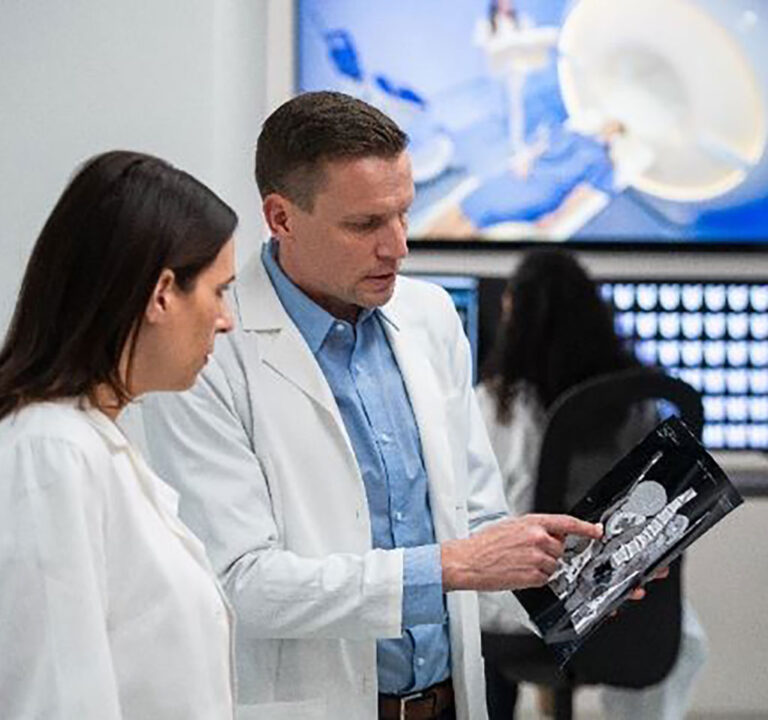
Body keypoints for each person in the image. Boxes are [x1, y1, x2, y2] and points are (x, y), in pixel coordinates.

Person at [138, 91, 602, 720]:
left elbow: (477, 528)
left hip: (448, 702)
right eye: (365, 226)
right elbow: (241, 583)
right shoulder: (211, 346)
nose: (398, 247)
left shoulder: (431, 318)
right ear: (281, 218)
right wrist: (451, 565)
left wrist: (579, 573)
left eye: (404, 215)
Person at [0, 150, 238, 719]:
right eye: (219, 290)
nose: (227, 319)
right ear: (161, 293)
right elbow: (57, 700)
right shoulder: (50, 452)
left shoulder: (93, 441)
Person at [476, 248, 708, 720]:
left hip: (530, 611)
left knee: (460, 623)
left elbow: (481, 511)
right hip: (636, 612)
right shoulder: (641, 402)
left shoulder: (498, 406)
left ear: (517, 317)